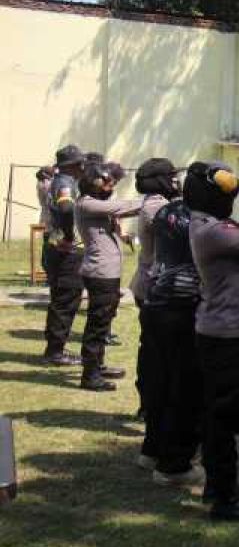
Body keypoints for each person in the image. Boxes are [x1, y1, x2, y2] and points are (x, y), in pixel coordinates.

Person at [184, 161, 239, 521]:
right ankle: (226, 499)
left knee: (226, 415)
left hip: (230, 330)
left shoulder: (212, 225)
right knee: (224, 416)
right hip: (227, 333)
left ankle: (219, 485)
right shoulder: (211, 231)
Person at [142, 186, 206, 488]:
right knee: (184, 387)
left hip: (155, 302)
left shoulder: (167, 211)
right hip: (182, 308)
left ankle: (152, 449)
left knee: (158, 381)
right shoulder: (196, 220)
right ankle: (175, 464)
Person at [130, 158, 180, 466]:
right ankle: (150, 406)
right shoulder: (157, 208)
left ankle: (150, 406)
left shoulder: (159, 203)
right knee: (155, 357)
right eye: (172, 177)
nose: (176, 181)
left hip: (151, 285)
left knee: (153, 353)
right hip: (154, 287)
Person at [75, 160, 140, 391]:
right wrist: (152, 200)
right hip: (100, 273)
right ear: (93, 182)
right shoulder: (87, 204)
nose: (111, 186)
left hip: (106, 273)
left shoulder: (95, 204)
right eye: (108, 182)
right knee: (98, 324)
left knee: (104, 321)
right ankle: (90, 376)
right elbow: (124, 207)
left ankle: (97, 365)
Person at [42, 146, 87, 367]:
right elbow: (67, 209)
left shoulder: (63, 180)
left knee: (62, 299)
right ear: (70, 165)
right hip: (65, 250)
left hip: (57, 247)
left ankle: (55, 347)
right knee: (66, 299)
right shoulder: (65, 183)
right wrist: (69, 235)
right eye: (79, 163)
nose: (82, 166)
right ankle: (55, 352)